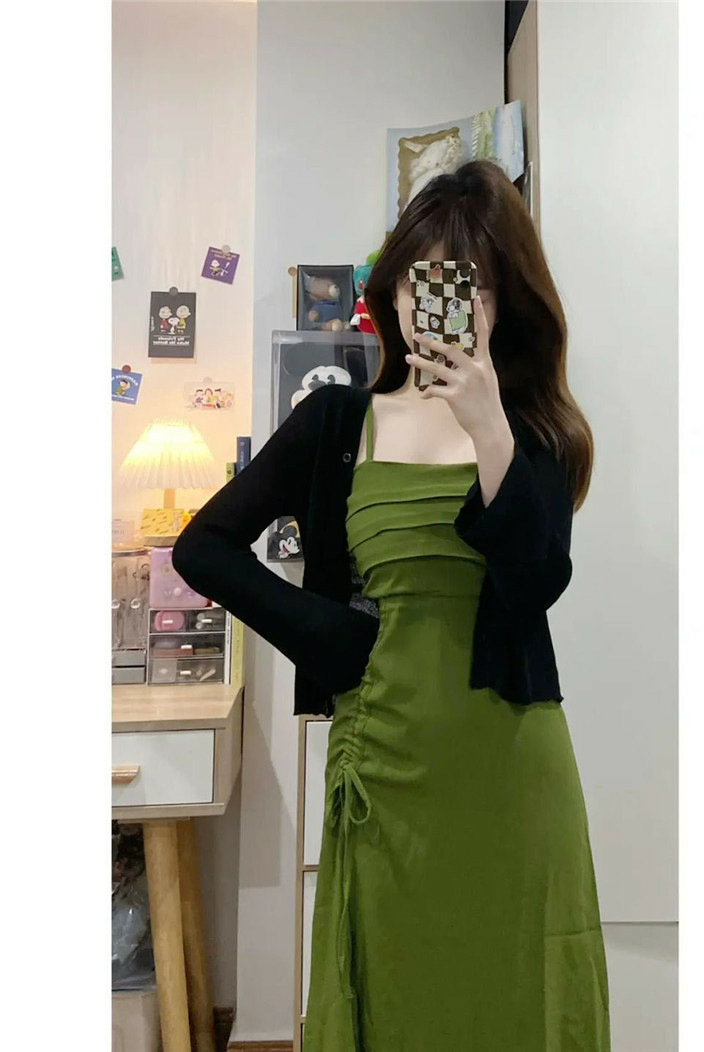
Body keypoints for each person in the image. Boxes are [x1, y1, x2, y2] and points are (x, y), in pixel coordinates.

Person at [172, 159, 610, 1051]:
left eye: (465, 282)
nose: (431, 301)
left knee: (518, 997)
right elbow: (202, 548)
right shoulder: (339, 424)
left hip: (510, 773)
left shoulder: (535, 434)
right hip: (385, 766)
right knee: (396, 994)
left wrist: (488, 428)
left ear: (502, 301)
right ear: (393, 291)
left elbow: (535, 585)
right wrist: (326, 634)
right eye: (418, 277)